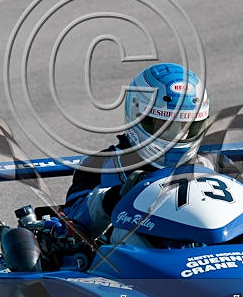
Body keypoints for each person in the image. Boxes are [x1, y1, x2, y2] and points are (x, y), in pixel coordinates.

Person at [62, 63, 216, 240]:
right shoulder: (100, 165)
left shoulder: (212, 164)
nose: (179, 135)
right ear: (138, 116)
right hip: (131, 258)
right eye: (166, 125)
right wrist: (112, 198)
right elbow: (71, 227)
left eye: (187, 126)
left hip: (203, 257)